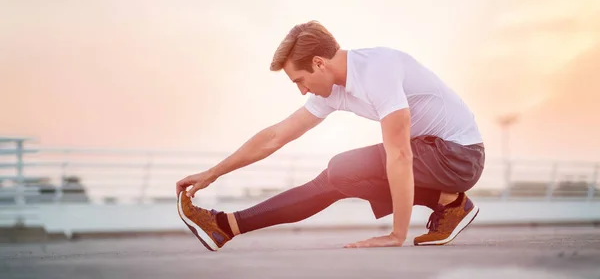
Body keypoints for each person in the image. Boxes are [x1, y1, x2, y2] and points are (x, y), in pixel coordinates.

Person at [175, 20, 485, 251]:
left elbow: (401, 155)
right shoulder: (331, 90)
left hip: (460, 155)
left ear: (319, 63)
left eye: (300, 80)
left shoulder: (378, 70)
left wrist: (396, 235)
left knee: (341, 170)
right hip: (435, 154)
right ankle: (225, 227)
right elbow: (275, 136)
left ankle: (225, 226)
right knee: (341, 177)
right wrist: (212, 174)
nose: (302, 90)